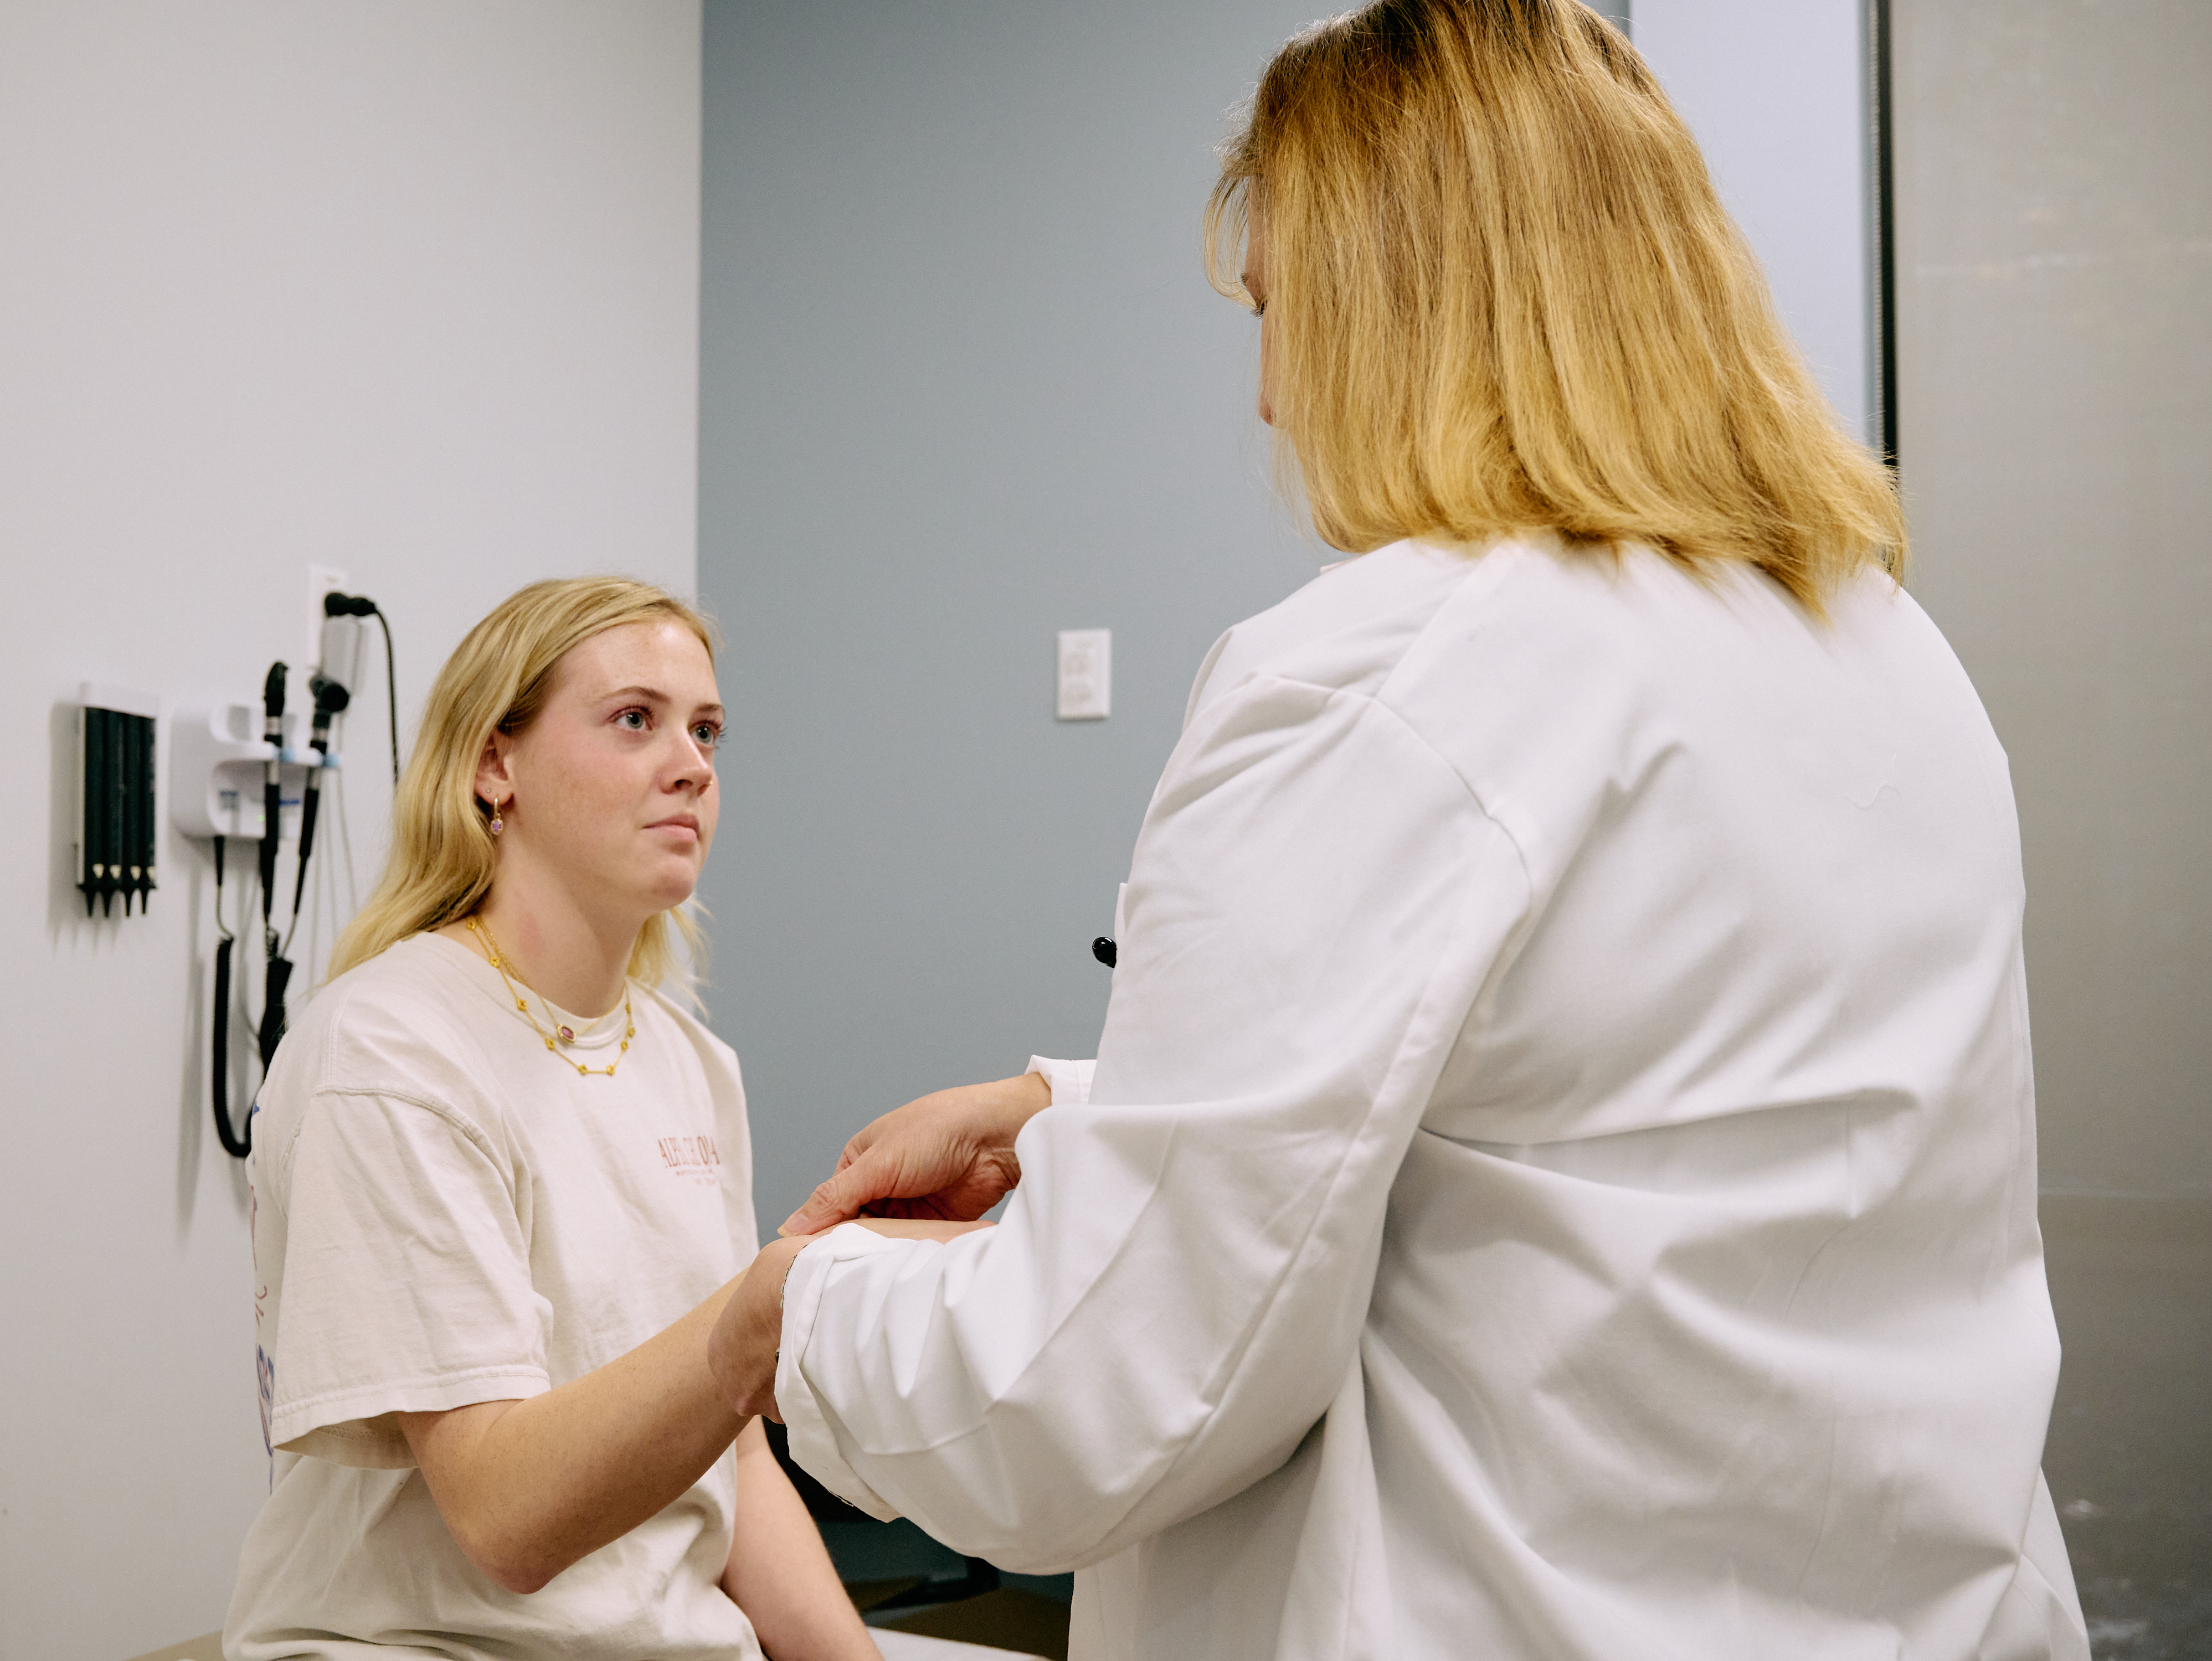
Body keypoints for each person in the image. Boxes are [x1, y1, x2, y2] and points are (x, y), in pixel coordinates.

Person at [709, 4, 2085, 1659]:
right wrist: (1052, 1107)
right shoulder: (1883, 658)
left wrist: (786, 1318)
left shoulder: (1383, 678)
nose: (1276, 400)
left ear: (1396, 305)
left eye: (1279, 312)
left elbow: (1099, 1398)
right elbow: (1622, 1120)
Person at [224, 577, 881, 1661]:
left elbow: (738, 1465)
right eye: (636, 720)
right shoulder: (392, 1053)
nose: (694, 766)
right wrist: (760, 1318)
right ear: (496, 767)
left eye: (707, 730)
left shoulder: (692, 1064)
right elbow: (505, 1522)